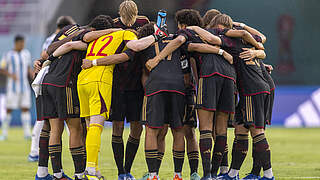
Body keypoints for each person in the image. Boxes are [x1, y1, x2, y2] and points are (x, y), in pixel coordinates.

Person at [191, 14, 274, 180]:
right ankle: (233, 174)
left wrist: (193, 28)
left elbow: (213, 39)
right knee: (240, 129)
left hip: (252, 88)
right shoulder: (248, 40)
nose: (218, 32)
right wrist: (258, 49)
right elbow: (262, 37)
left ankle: (268, 175)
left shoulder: (231, 39)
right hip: (261, 86)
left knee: (257, 131)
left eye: (218, 28)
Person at [28, 15, 76, 163]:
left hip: (45, 81)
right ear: (65, 28)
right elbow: (46, 54)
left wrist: (40, 62)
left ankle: (37, 156)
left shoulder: (50, 38)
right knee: (56, 123)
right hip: (56, 81)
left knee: (46, 122)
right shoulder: (58, 38)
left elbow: (42, 57)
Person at [111, 1, 149, 179]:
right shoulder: (112, 25)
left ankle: (127, 169)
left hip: (137, 85)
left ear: (137, 15)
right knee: (117, 127)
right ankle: (120, 172)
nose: (129, 23)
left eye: (131, 19)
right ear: (119, 14)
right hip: (116, 85)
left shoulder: (144, 23)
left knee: (137, 128)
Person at [0, 35, 33, 141]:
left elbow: (28, 67)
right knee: (9, 109)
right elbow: (2, 68)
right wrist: (11, 74)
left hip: (24, 87)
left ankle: (27, 133)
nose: (23, 45)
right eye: (21, 43)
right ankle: (4, 133)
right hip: (12, 87)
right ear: (16, 43)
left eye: (23, 43)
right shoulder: (8, 55)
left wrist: (32, 76)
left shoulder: (26, 54)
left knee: (25, 108)